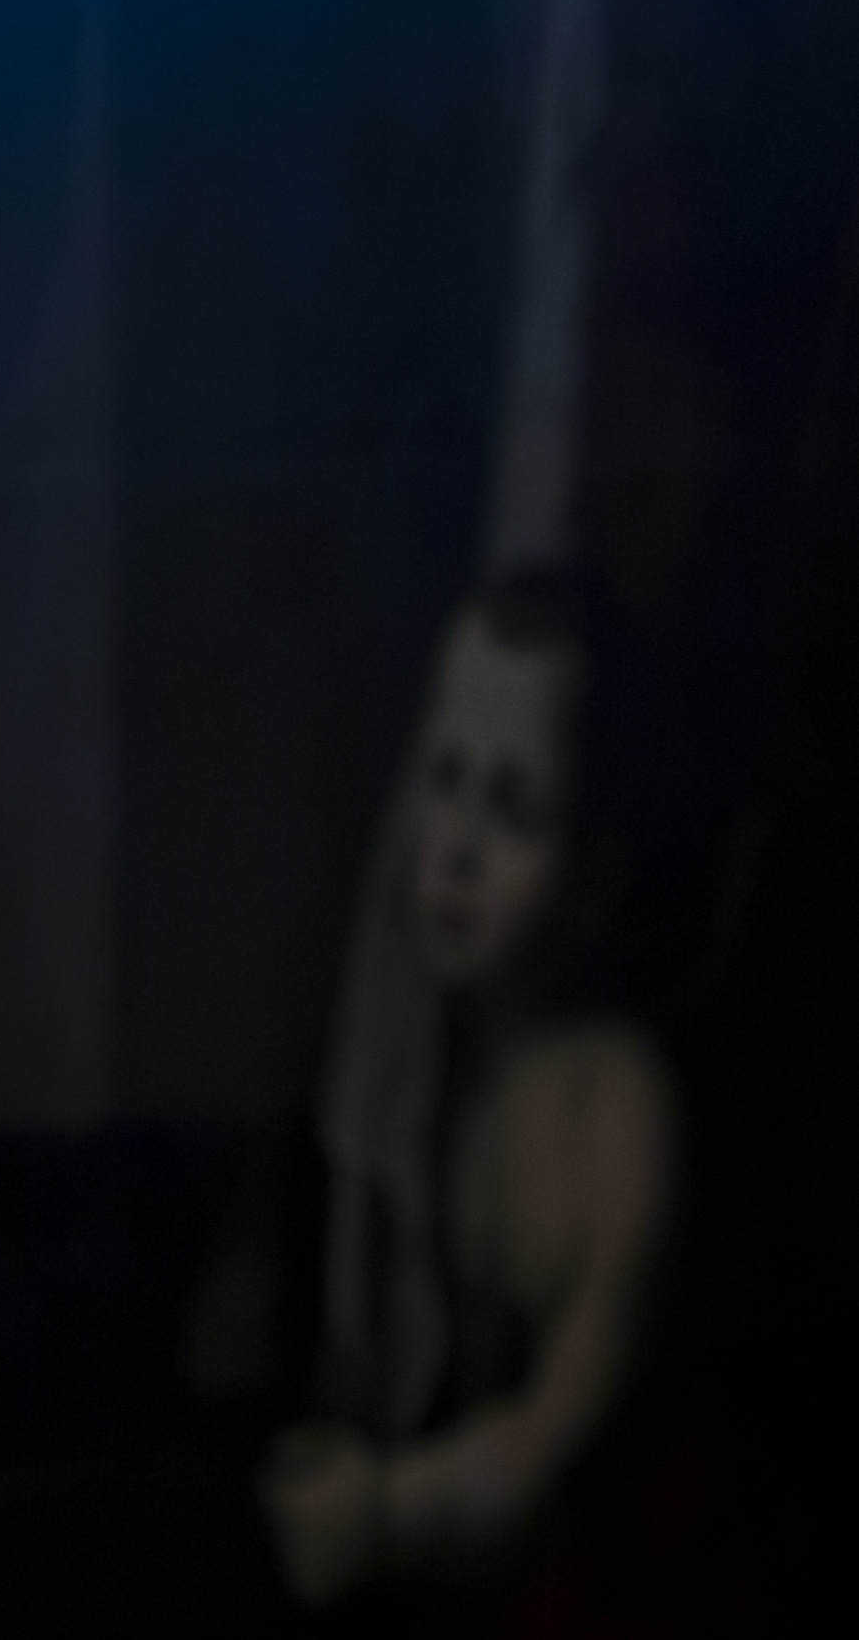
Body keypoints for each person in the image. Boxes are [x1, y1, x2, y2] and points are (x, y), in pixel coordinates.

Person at [267, 569, 674, 1608]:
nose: (452, 850)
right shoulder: (425, 1058)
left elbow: (549, 1448)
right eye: (444, 778)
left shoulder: (619, 1114)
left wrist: (387, 1510)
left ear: (593, 878)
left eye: (514, 809)